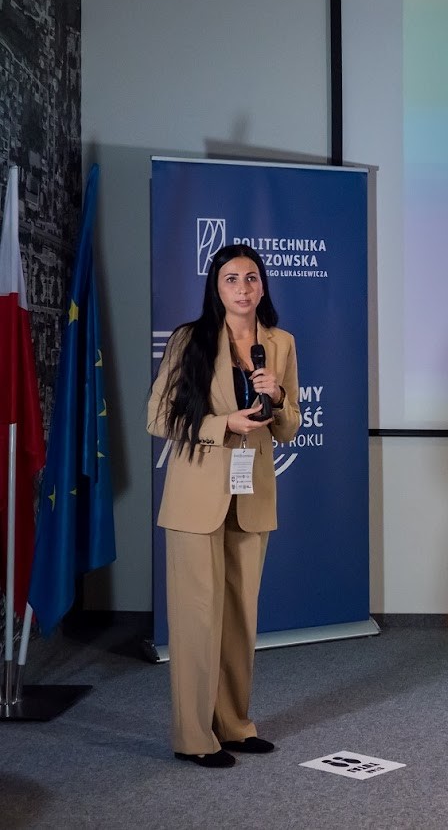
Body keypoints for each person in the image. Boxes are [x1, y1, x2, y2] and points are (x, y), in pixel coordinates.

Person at [147, 244, 300, 768]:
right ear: (216, 285)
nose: (243, 287)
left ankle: (233, 725)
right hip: (196, 498)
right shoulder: (189, 339)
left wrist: (279, 397)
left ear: (263, 285)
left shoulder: (280, 343)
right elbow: (158, 417)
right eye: (231, 278)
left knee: (239, 617)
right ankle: (194, 736)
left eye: (251, 278)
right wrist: (223, 424)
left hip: (251, 495)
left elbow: (288, 428)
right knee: (197, 620)